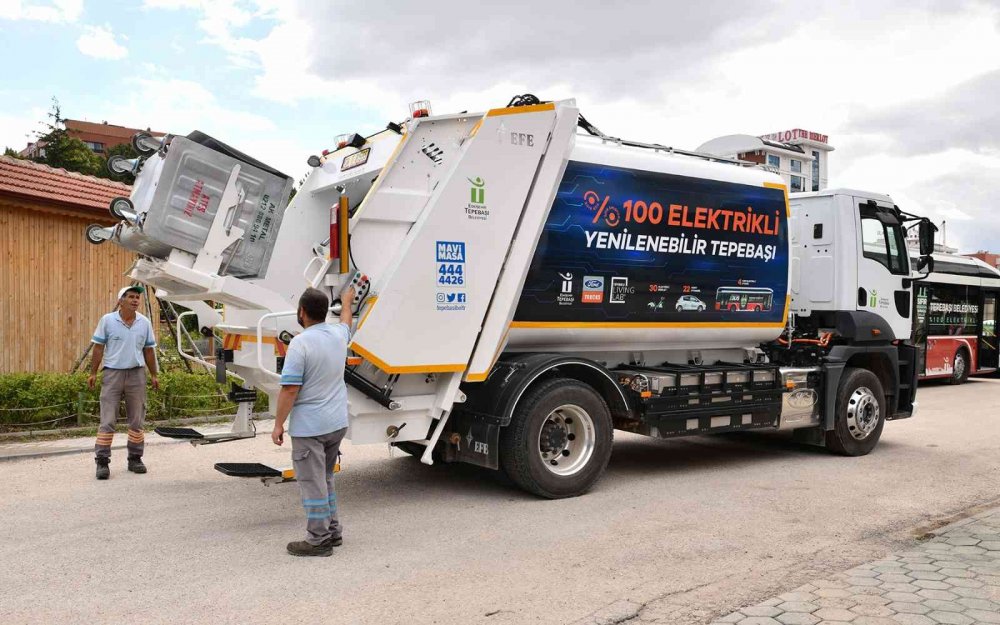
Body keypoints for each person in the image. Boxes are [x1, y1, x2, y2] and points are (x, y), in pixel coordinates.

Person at [272, 284, 354, 557]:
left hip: (311, 427)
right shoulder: (338, 335)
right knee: (326, 477)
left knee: (313, 482)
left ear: (302, 312)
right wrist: (347, 301)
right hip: (336, 422)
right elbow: (346, 322)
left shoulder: (300, 343)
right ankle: (333, 531)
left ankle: (318, 540)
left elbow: (290, 389)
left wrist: (278, 423)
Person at [88, 285, 159, 480]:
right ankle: (102, 462)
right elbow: (98, 348)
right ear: (121, 300)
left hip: (137, 375)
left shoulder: (144, 323)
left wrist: (154, 375)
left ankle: (135, 458)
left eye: (137, 297)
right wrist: (93, 372)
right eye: (131, 297)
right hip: (112, 375)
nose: (135, 300)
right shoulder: (108, 321)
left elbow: (149, 351)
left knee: (137, 419)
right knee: (108, 420)